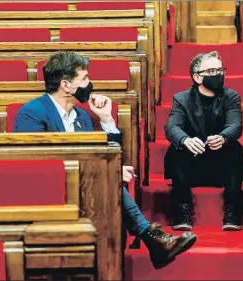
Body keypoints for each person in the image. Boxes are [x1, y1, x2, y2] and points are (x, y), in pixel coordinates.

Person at [13, 51, 196, 270]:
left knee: (109, 179)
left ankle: (148, 241)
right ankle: (151, 238)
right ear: (66, 85)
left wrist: (107, 120)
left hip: (84, 190)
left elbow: (101, 153)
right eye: (85, 79)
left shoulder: (82, 117)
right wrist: (108, 170)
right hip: (47, 191)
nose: (90, 84)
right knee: (107, 179)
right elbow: (37, 163)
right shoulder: (32, 113)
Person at [164, 51, 243, 232]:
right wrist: (185, 140)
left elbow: (236, 125)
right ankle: (182, 210)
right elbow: (172, 127)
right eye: (211, 71)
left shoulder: (232, 96)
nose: (217, 75)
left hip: (220, 164)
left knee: (235, 148)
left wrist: (223, 137)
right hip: (191, 164)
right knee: (175, 149)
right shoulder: (182, 99)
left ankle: (232, 210)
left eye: (220, 70)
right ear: (197, 77)